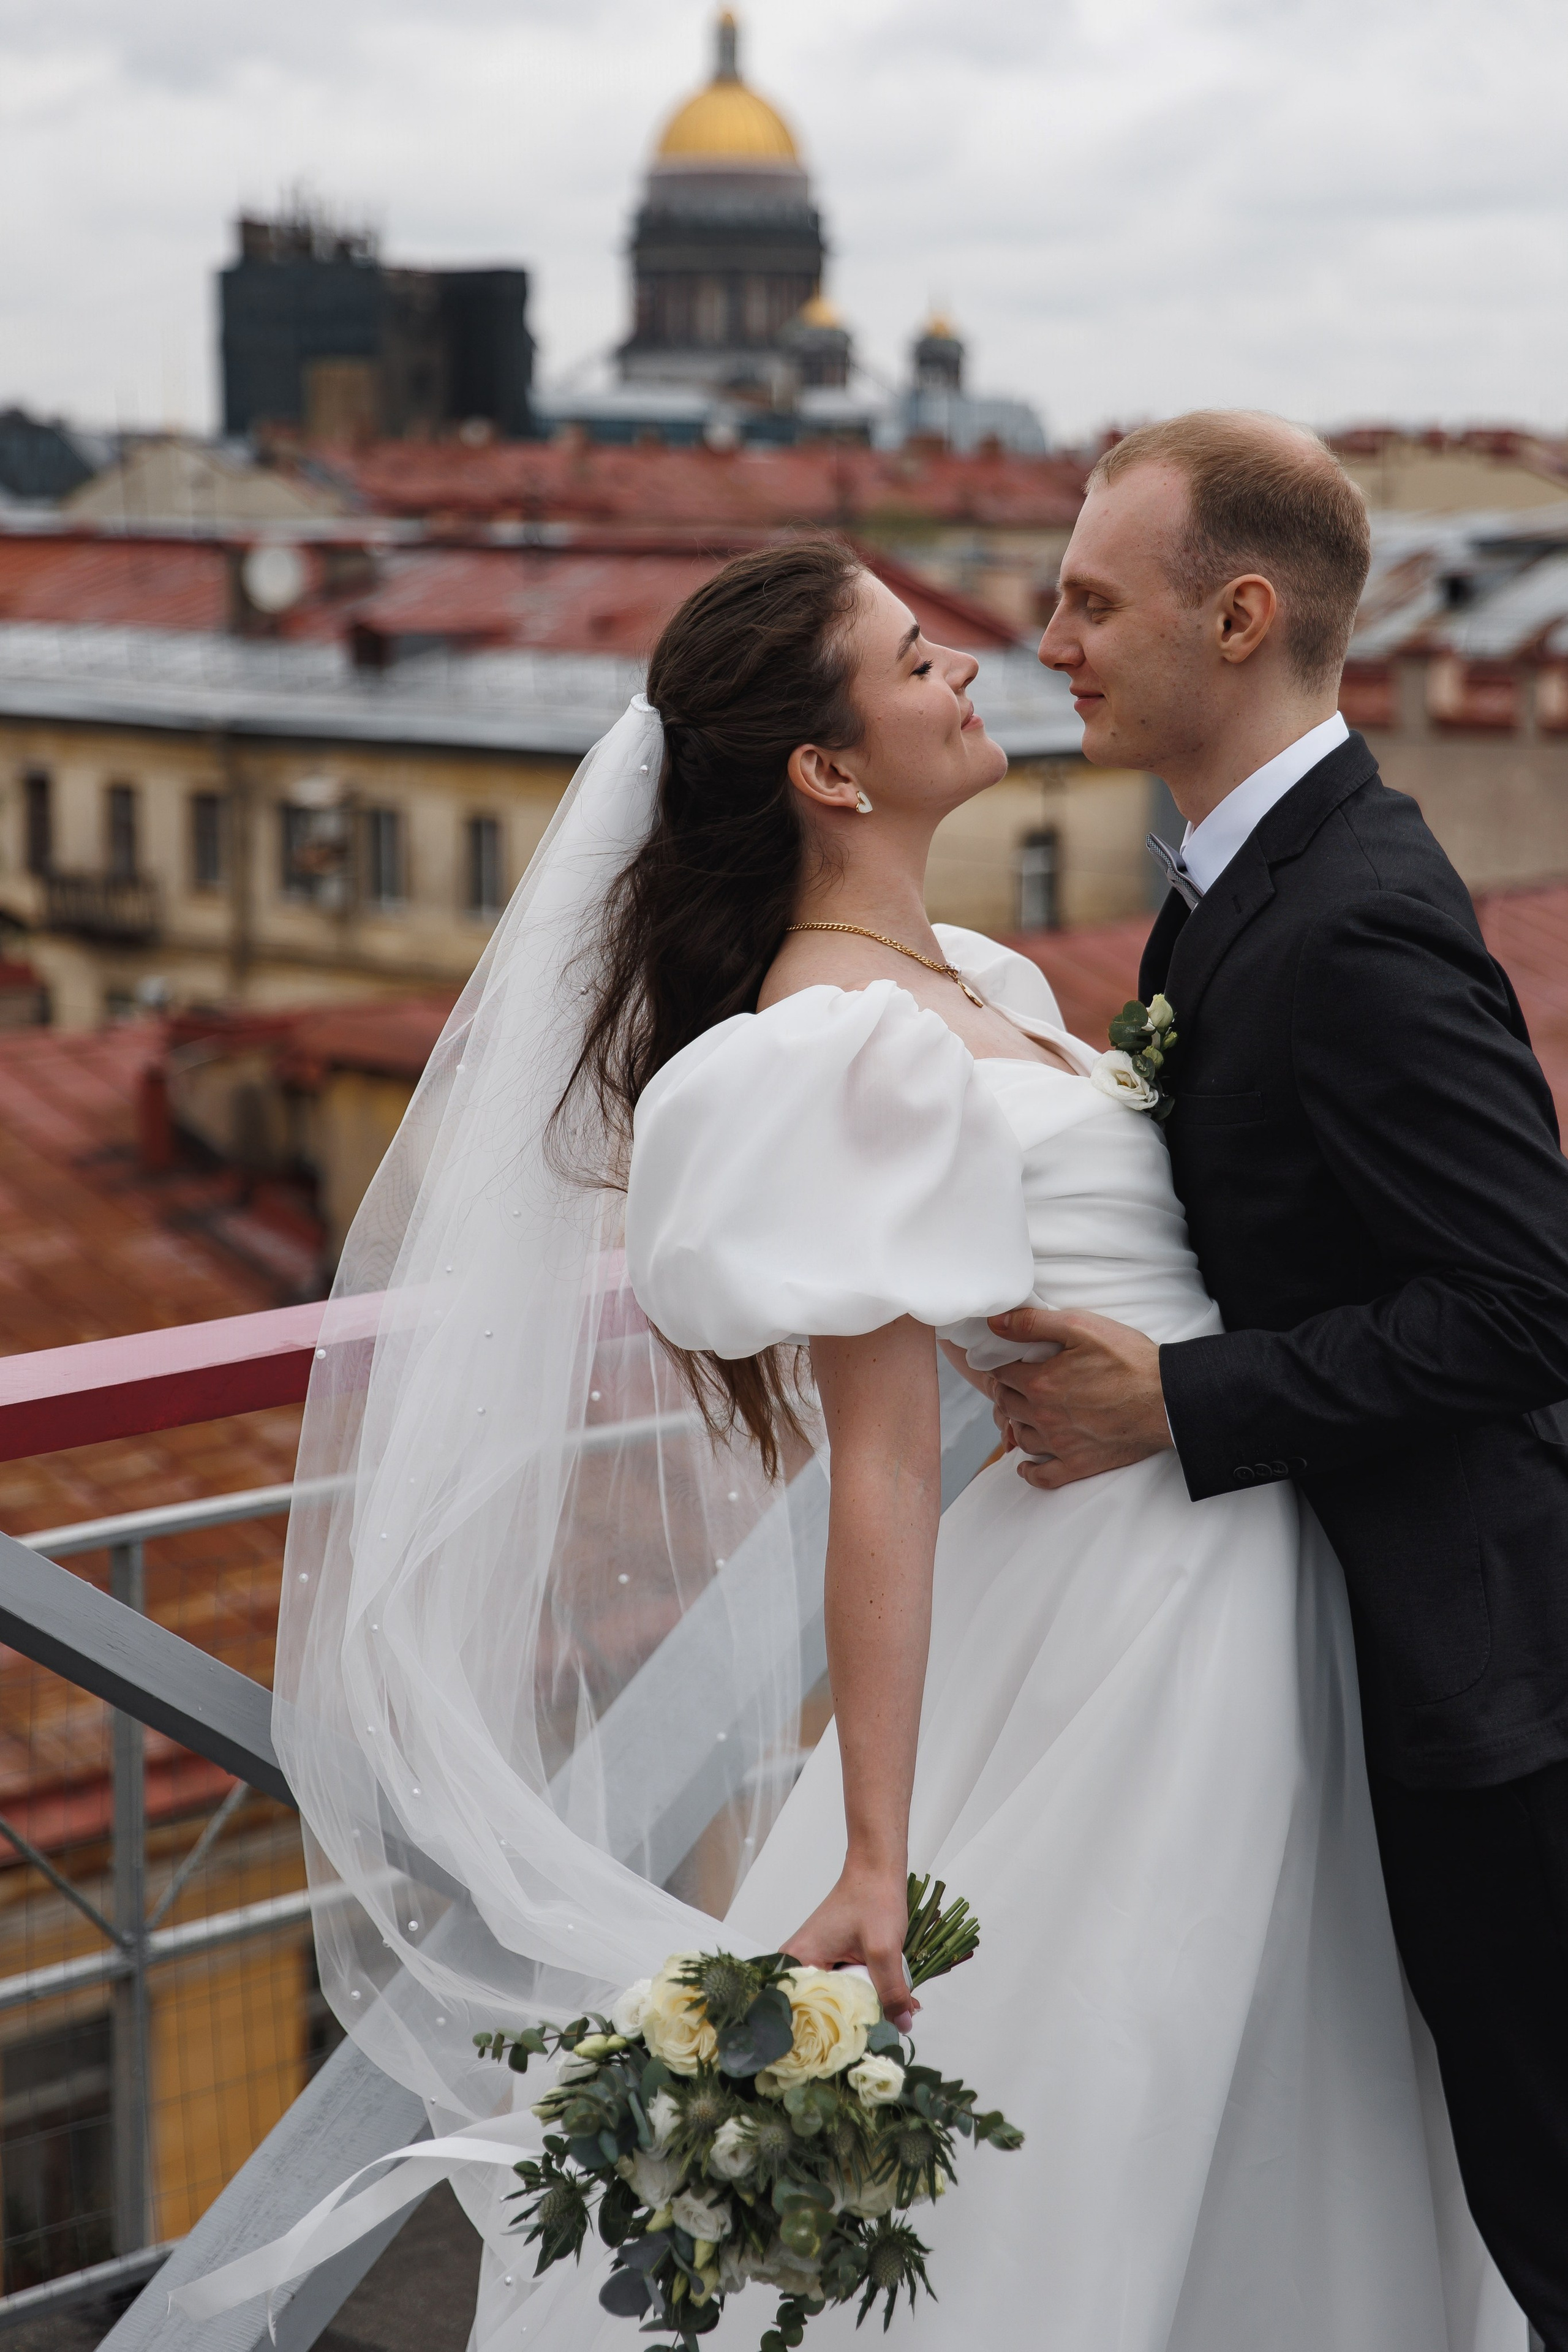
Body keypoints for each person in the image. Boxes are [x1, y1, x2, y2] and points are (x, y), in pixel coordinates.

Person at [248, 538, 1519, 2352]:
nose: (975, 672)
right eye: (920, 661)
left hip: (1238, 1542)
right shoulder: (832, 1047)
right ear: (830, 773)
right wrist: (873, 1843)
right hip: (1120, 1607)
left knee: (1265, 2073)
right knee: (1113, 2079)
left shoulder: (983, 974)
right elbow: (885, 1464)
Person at [986, 410, 1568, 2350]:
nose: (1046, 636)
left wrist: (1188, 1400)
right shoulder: (1246, 876)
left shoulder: (1356, 912)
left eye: (1089, 599)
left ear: (1239, 617)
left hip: (1491, 1688)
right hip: (1372, 1650)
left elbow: (1525, 1300)